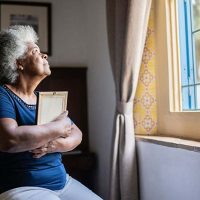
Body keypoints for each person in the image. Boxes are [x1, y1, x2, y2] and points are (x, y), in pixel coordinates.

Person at [0, 25, 102, 200]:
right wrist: (58, 128)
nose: (44, 55)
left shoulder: (45, 98)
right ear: (19, 62)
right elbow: (10, 139)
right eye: (35, 51)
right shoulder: (3, 94)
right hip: (21, 187)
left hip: (63, 183)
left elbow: (77, 134)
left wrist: (53, 145)